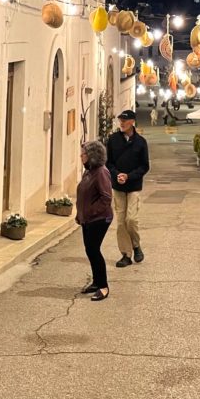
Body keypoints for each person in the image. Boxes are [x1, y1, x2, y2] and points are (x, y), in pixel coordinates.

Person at [106, 109, 150, 267]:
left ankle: (136, 245)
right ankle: (126, 254)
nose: (122, 123)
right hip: (118, 186)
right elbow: (108, 162)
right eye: (120, 121)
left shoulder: (140, 142)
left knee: (131, 219)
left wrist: (129, 176)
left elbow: (145, 166)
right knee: (120, 223)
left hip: (133, 186)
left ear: (132, 122)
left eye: (125, 121)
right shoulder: (113, 140)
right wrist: (117, 174)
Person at [75, 140, 113, 301]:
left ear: (91, 156)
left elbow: (106, 198)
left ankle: (103, 286)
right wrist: (80, 214)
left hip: (99, 219)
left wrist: (90, 212)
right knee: (90, 250)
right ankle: (96, 282)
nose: (80, 156)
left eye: (83, 154)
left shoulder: (101, 172)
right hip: (88, 219)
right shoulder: (89, 171)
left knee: (94, 250)